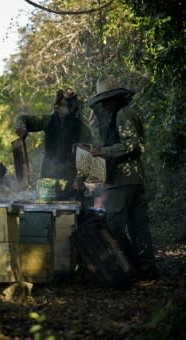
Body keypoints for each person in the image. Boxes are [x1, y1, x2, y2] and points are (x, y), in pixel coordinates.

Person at [89, 75, 159, 280]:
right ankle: (147, 269)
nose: (104, 105)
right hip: (132, 179)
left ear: (115, 98)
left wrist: (103, 151)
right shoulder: (125, 113)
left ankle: (134, 267)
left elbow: (132, 144)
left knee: (114, 226)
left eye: (106, 100)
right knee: (139, 225)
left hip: (123, 180)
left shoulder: (122, 114)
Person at [14, 88, 95, 200]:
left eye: (66, 105)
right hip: (46, 185)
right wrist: (21, 126)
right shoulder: (48, 120)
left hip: (71, 186)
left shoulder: (83, 130)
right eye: (60, 105)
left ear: (74, 108)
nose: (62, 108)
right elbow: (22, 118)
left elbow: (88, 158)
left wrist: (80, 179)